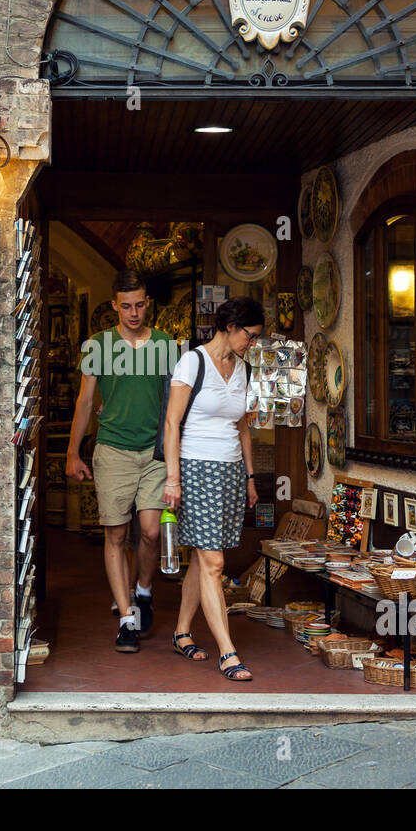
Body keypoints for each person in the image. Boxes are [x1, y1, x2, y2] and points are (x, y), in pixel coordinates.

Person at [67, 271, 178, 653]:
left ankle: (143, 590)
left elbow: (177, 402)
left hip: (154, 453)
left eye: (140, 304)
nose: (134, 312)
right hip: (112, 450)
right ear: (114, 305)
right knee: (115, 535)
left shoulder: (166, 345)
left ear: (149, 303)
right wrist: (72, 451)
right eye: (126, 306)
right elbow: (85, 402)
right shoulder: (98, 346)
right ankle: (127, 619)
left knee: (149, 532)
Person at [161, 296, 263, 682]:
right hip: (196, 468)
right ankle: (228, 652)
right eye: (249, 336)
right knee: (215, 564)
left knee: (205, 559)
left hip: (231, 472)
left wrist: (250, 477)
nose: (251, 343)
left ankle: (182, 632)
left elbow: (243, 427)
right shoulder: (193, 362)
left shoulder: (243, 369)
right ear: (231, 326)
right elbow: (172, 424)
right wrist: (173, 478)